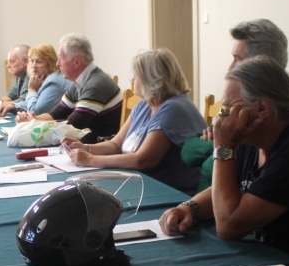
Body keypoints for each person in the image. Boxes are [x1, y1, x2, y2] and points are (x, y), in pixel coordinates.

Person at [158, 56, 289, 265]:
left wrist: (223, 146)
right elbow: (225, 190)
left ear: (262, 109)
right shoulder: (253, 138)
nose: (222, 117)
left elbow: (228, 226)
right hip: (268, 255)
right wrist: (189, 208)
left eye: (229, 108)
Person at [61, 48, 206, 194]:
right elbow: (116, 145)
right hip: (146, 184)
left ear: (152, 80)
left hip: (175, 193)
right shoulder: (145, 103)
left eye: (137, 76)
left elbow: (142, 160)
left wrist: (90, 160)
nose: (132, 80)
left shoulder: (173, 108)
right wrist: (85, 148)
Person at [181, 19, 289, 191]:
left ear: (262, 64)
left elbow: (212, 167)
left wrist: (220, 145)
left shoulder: (260, 118)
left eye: (237, 59)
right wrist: (219, 146)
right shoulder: (237, 106)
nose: (230, 67)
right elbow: (187, 151)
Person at [24, 33, 122, 143]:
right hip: (83, 142)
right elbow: (57, 114)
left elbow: (72, 125)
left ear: (77, 61)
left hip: (97, 146)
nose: (58, 63)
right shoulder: (80, 82)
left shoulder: (95, 84)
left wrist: (33, 123)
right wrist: (32, 119)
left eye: (61, 58)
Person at [8, 44, 70, 118]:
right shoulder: (42, 78)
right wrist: (14, 106)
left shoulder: (53, 82)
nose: (34, 65)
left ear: (50, 63)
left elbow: (35, 112)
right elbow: (37, 102)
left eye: (39, 62)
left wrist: (32, 90)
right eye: (32, 61)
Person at [0, 44, 30, 112]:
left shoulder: (31, 75)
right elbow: (9, 96)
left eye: (12, 61)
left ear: (25, 61)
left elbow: (23, 102)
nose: (7, 66)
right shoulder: (20, 75)